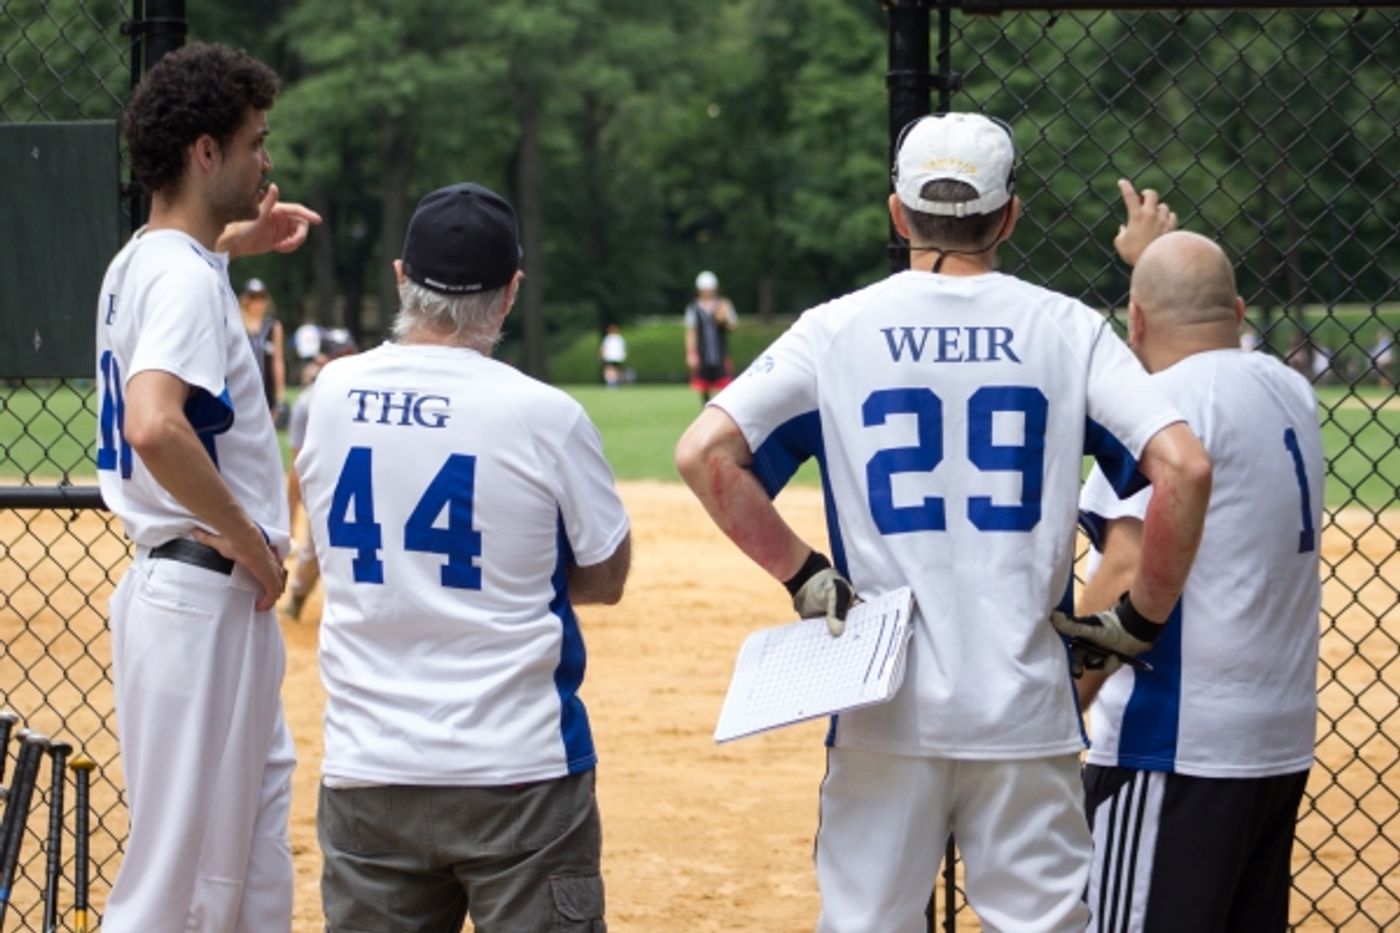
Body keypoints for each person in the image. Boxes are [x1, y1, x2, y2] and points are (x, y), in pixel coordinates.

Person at [674, 115, 1212, 932]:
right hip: (1026, 703)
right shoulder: (1066, 328)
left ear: (898, 214)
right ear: (1008, 217)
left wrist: (803, 572)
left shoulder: (836, 328)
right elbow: (1185, 467)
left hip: (882, 703)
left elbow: (706, 453)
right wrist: (1139, 620)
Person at [296, 182, 630, 931]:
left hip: (367, 768)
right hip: (518, 771)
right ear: (510, 292)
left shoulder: (331, 391)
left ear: (399, 277)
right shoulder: (545, 413)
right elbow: (605, 574)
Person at [93, 42, 320, 932]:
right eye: (255, 141)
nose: (267, 159)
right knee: (176, 887)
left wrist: (235, 243)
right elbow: (155, 423)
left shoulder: (148, 260)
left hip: (196, 598)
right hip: (202, 590)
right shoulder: (181, 275)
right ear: (204, 152)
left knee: (248, 866)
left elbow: (190, 267)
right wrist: (248, 539)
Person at [1075, 225, 1324, 932]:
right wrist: (1156, 265)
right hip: (1274, 741)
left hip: (1173, 746)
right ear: (1240, 312)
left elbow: (1125, 564)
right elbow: (1200, 323)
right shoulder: (1289, 391)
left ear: (1136, 320)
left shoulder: (1159, 408)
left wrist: (1060, 709)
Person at [280, 327, 357, 623]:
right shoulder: (308, 401)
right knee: (314, 550)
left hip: (361, 481)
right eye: (338, 355)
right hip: (328, 486)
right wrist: (295, 508)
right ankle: (298, 597)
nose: (344, 361)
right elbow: (299, 462)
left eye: (349, 354)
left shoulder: (366, 395)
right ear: (324, 359)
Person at [684, 270, 737, 405]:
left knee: (725, 387)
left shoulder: (723, 305)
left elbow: (733, 327)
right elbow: (691, 332)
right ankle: (706, 410)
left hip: (720, 353)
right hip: (703, 354)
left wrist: (724, 320)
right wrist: (691, 353)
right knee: (703, 388)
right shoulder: (693, 308)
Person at [239, 277, 286, 422]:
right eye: (253, 298)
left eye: (261, 298)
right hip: (242, 388)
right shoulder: (237, 323)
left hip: (266, 389)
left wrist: (279, 395)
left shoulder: (273, 327)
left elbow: (277, 361)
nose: (257, 303)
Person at [600, 323, 627, 388]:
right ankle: (611, 382)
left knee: (616, 370)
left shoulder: (619, 338)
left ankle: (616, 382)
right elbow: (603, 348)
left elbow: (623, 348)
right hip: (610, 356)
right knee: (610, 370)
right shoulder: (608, 338)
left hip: (617, 357)